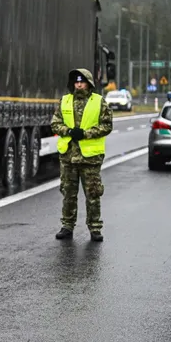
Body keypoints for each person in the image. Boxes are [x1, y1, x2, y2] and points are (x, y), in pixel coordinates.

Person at [50, 68, 113, 242]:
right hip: (68, 157)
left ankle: (95, 228)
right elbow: (55, 124)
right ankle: (67, 226)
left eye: (82, 81)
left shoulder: (99, 102)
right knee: (68, 193)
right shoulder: (65, 101)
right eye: (76, 81)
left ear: (89, 83)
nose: (78, 84)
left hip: (90, 158)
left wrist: (86, 133)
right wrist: (69, 131)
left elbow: (107, 125)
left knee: (93, 194)